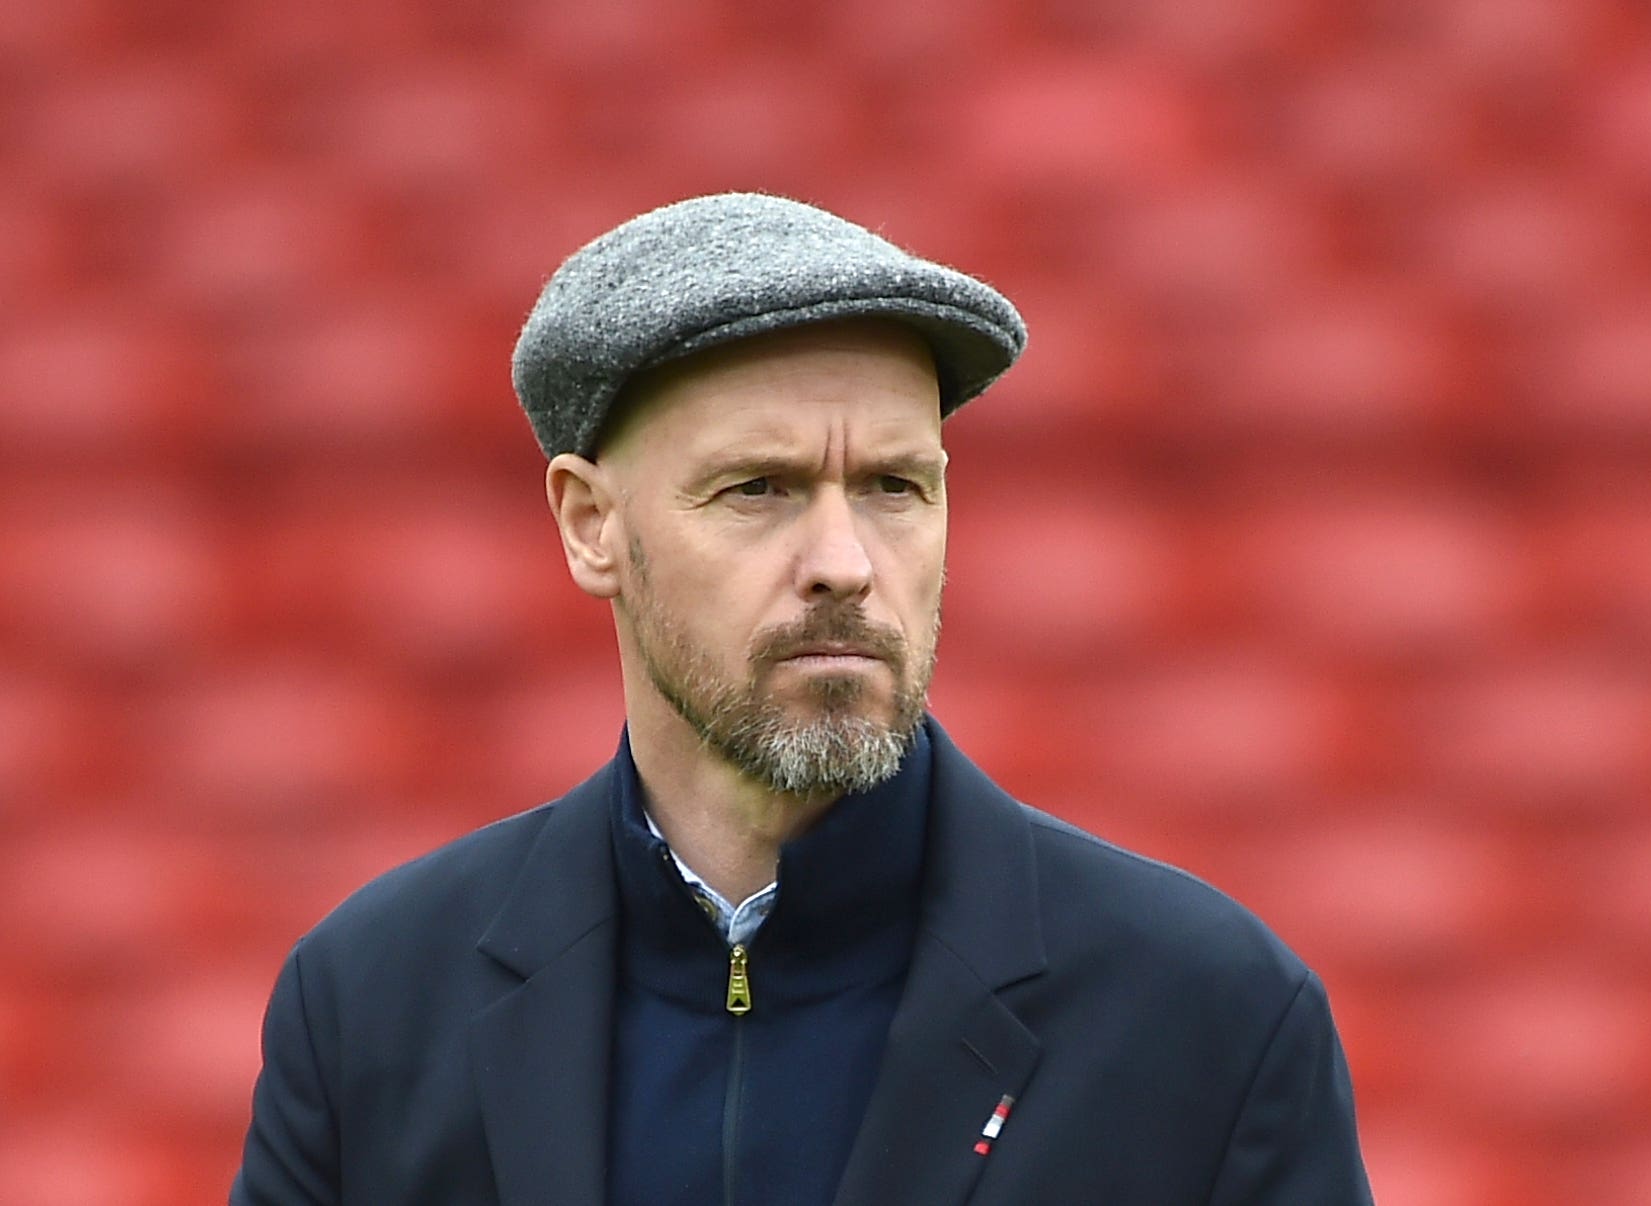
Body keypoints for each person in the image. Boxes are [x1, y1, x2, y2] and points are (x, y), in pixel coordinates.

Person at [231, 193, 1373, 1205]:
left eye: (893, 486)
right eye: (758, 488)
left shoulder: (1208, 1016)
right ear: (591, 526)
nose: (844, 562)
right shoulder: (371, 1006)